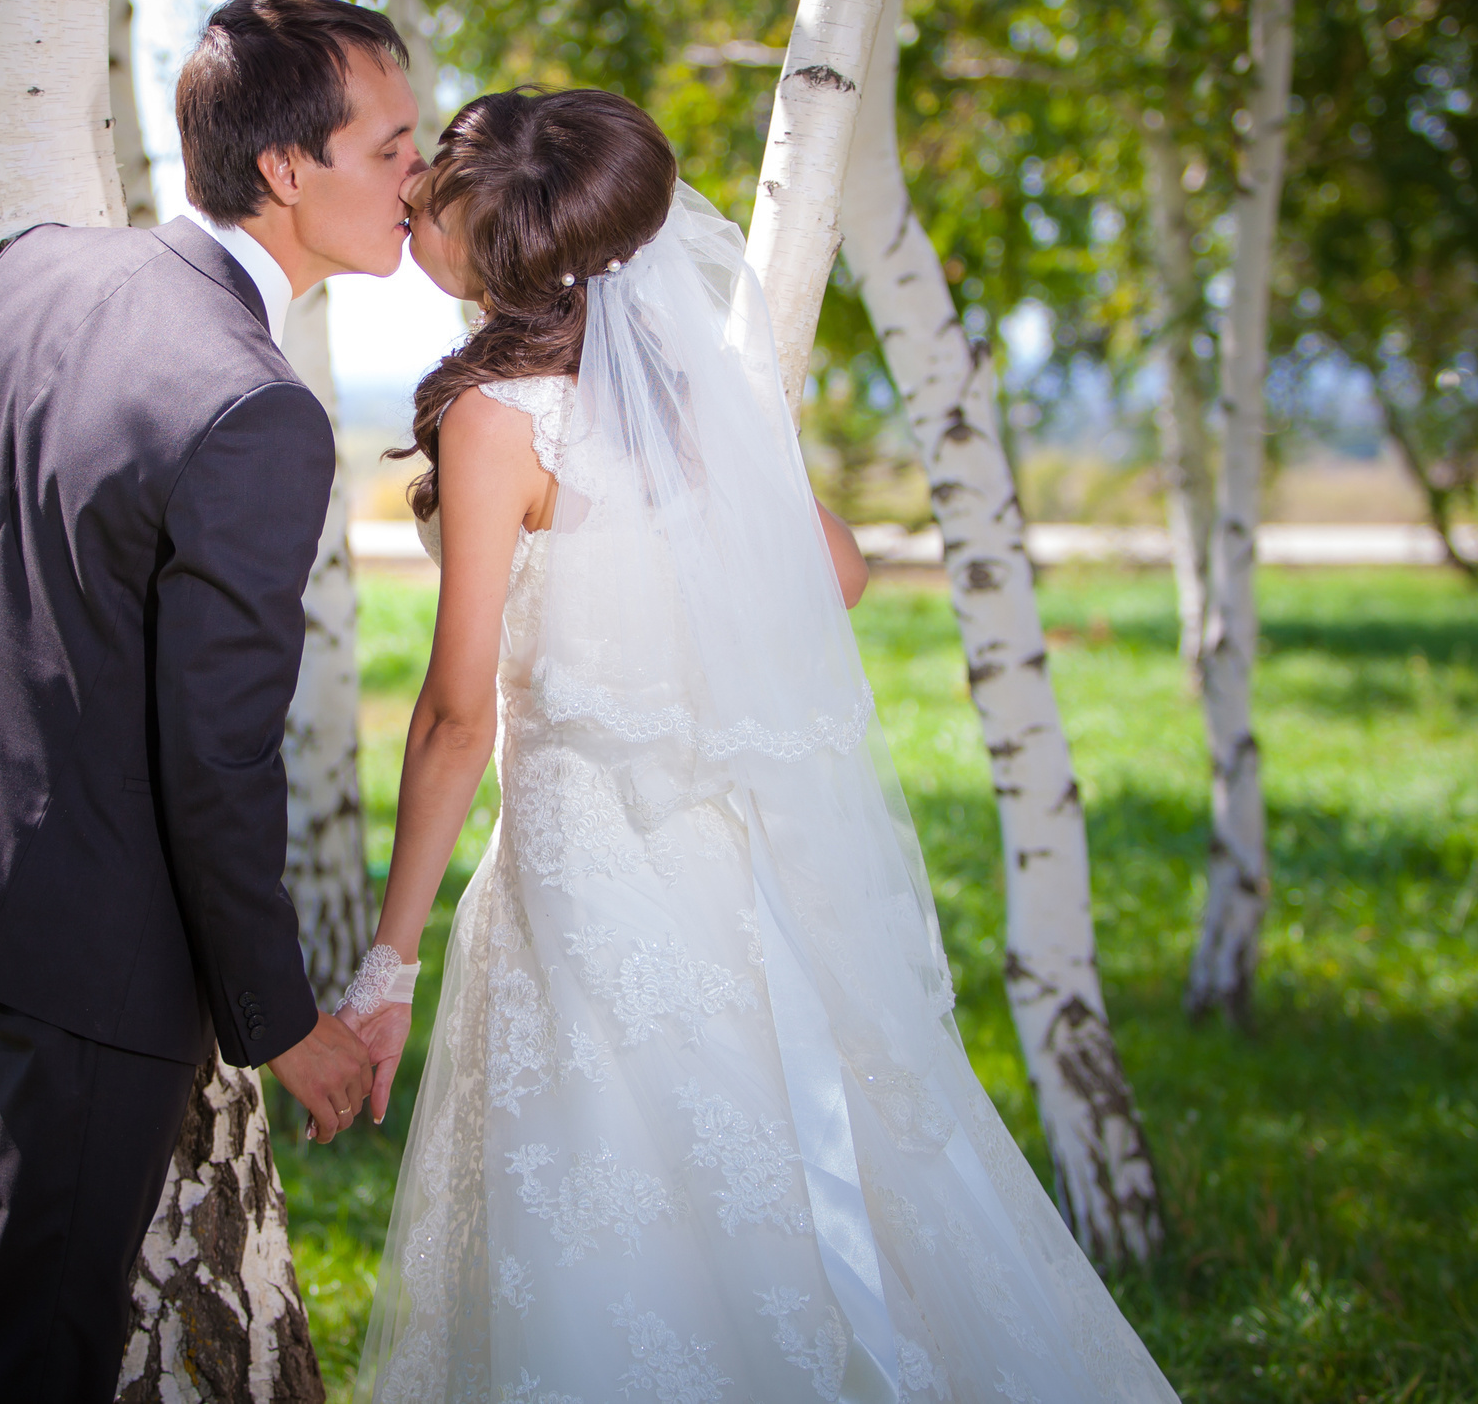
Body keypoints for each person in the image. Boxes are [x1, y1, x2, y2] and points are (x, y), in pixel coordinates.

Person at [342, 89, 1183, 1402]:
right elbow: (833, 572)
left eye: (436, 194)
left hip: (582, 880)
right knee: (763, 1168)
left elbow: (455, 718)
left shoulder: (498, 417)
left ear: (505, 251)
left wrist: (387, 963)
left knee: (612, 1197)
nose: (413, 203)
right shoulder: (690, 386)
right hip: (720, 868)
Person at [0, 0, 425, 1404]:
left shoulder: (40, 274)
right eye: (393, 146)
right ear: (288, 170)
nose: (423, 172)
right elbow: (219, 763)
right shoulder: (257, 410)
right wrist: (280, 1020)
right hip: (93, 940)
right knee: (26, 1352)